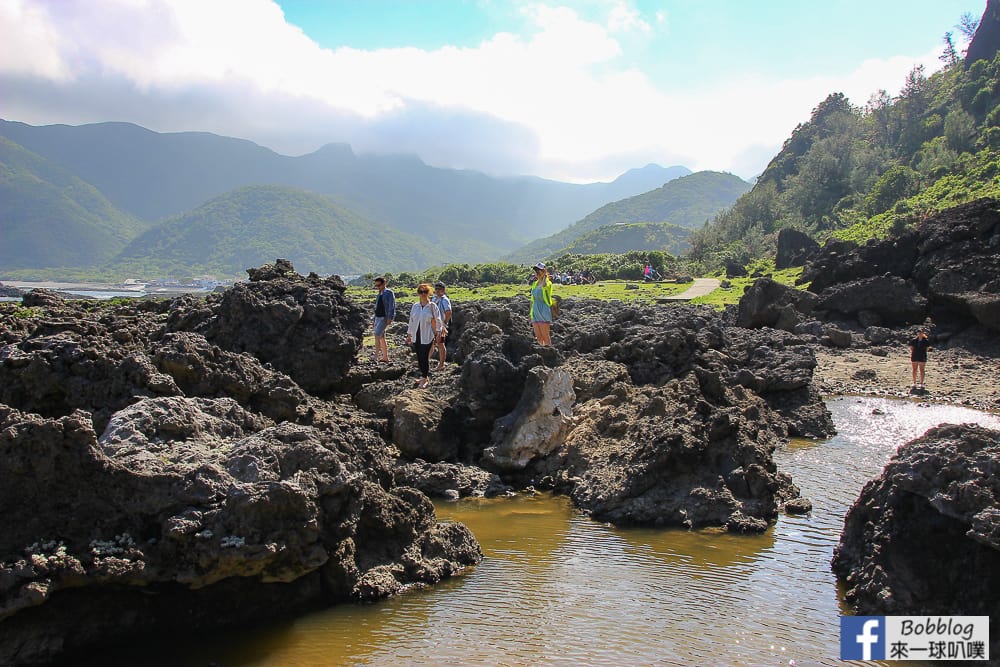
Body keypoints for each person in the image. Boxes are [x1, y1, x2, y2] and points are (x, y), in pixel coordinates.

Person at [407, 283, 441, 388]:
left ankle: (425, 378)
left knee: (424, 357)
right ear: (418, 293)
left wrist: (439, 332)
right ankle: (423, 376)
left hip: (427, 335)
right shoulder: (415, 306)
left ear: (429, 293)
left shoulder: (432, 306)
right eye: (420, 292)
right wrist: (409, 334)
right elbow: (411, 321)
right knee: (419, 356)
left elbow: (438, 319)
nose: (423, 294)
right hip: (416, 335)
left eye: (425, 292)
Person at [529, 262, 553, 346]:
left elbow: (544, 286)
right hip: (535, 311)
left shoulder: (548, 283)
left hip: (543, 310)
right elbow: (532, 300)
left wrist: (544, 277)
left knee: (545, 336)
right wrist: (530, 314)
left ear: (544, 271)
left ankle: (549, 353)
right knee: (538, 337)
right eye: (536, 271)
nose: (537, 273)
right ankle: (541, 353)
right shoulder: (534, 284)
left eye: (539, 271)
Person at [372, 276, 395, 363]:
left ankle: (376, 357)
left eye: (379, 285)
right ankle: (385, 357)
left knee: (377, 335)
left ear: (384, 283)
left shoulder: (389, 293)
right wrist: (374, 319)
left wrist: (390, 318)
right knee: (381, 337)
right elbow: (377, 307)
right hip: (378, 317)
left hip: (384, 317)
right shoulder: (379, 294)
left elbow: (391, 306)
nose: (378, 287)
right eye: (376, 285)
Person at [430, 281, 452, 371]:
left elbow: (448, 312)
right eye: (436, 289)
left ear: (444, 290)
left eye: (440, 289)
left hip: (440, 325)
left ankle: (441, 364)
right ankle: (425, 361)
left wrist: (445, 323)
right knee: (430, 343)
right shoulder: (434, 298)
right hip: (432, 324)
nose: (437, 290)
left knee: (440, 343)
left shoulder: (444, 300)